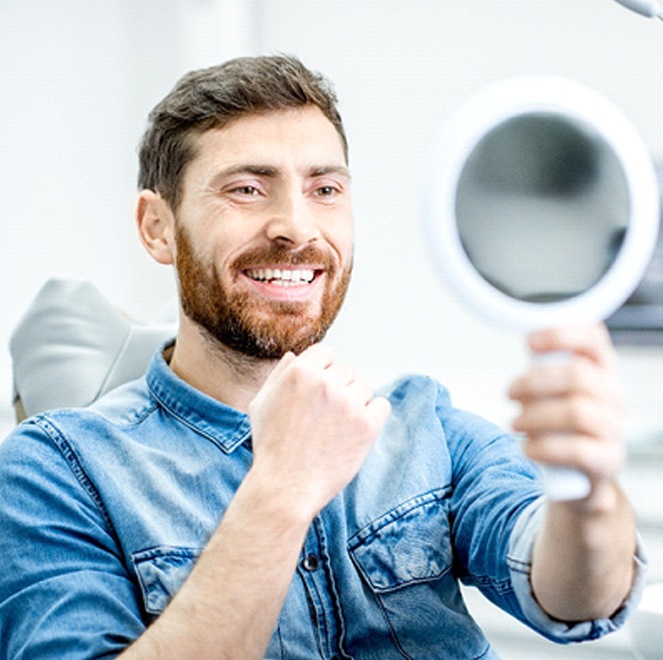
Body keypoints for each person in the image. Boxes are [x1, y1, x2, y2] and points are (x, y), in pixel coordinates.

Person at [0, 55, 646, 659]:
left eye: (325, 189)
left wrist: (586, 494)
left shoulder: (424, 425)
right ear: (157, 227)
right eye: (248, 189)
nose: (297, 228)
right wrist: (281, 490)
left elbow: (575, 596)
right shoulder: (55, 470)